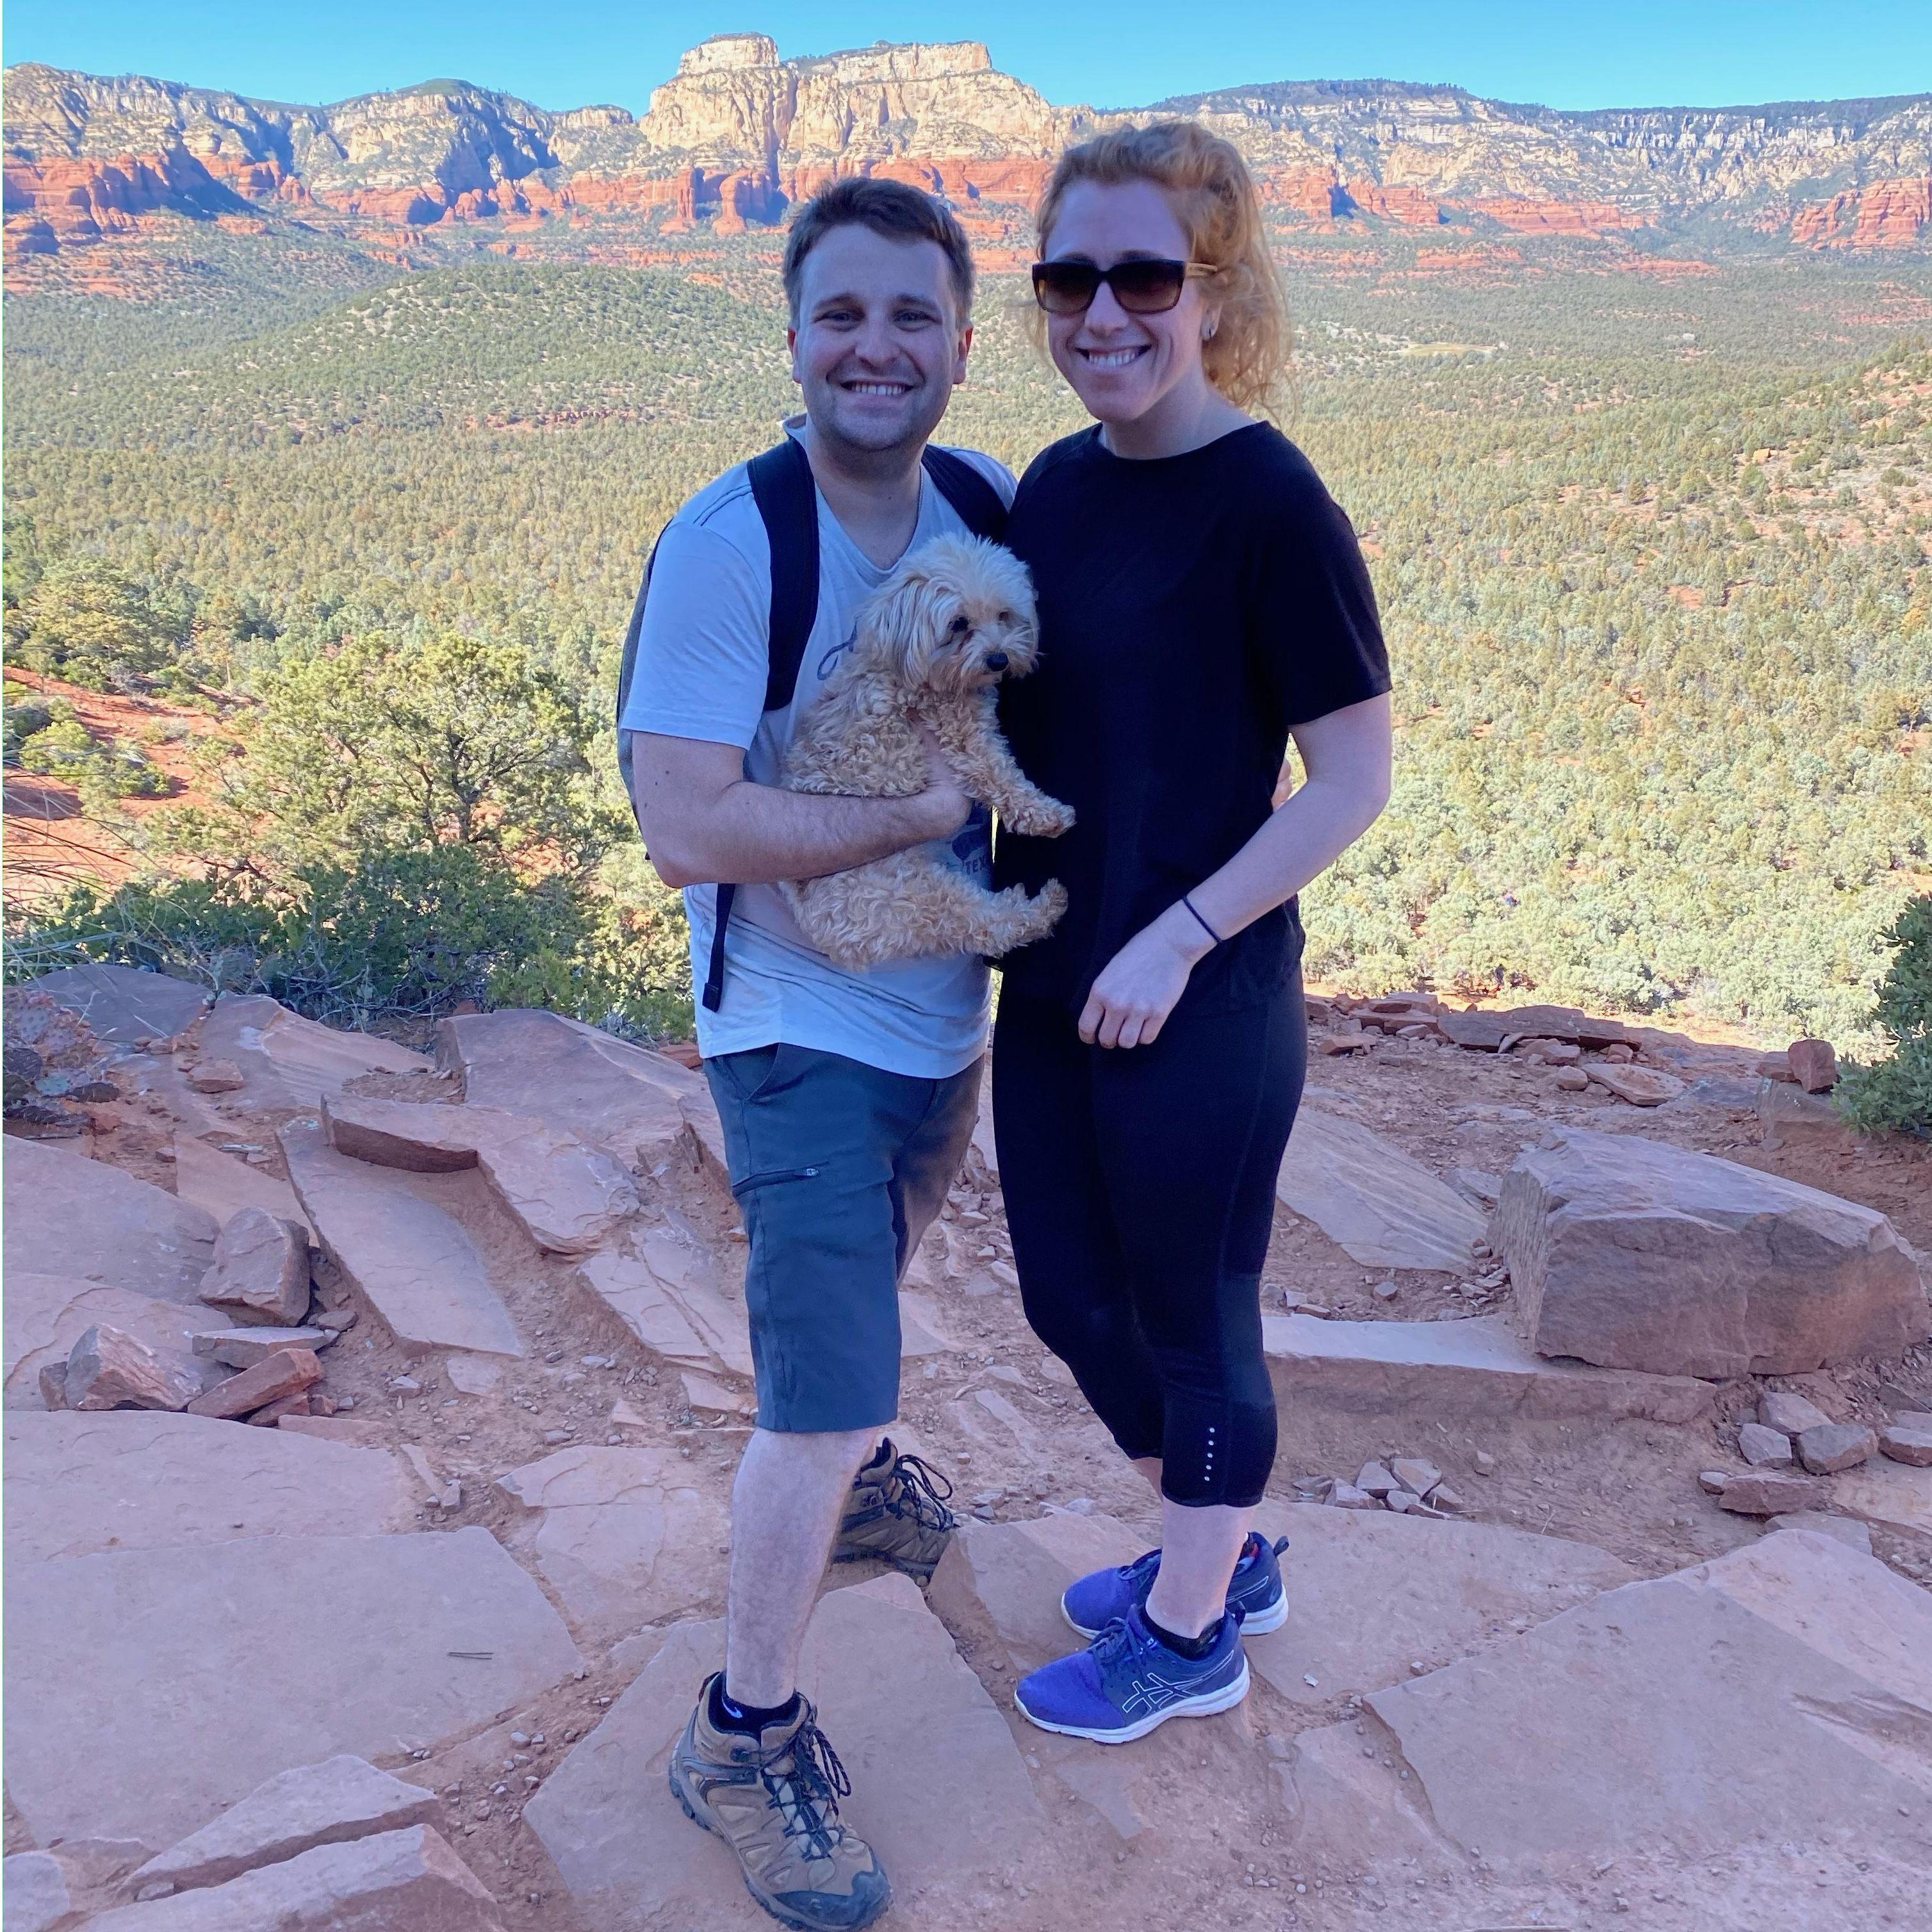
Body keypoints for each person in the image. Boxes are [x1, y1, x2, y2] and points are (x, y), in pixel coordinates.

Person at [625, 177, 1015, 1931]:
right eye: (841, 314)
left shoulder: (983, 506)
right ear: (791, 337)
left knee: (871, 1298)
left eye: (909, 315)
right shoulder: (732, 545)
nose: (875, 347)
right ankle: (742, 1730)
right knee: (830, 1383)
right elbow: (684, 823)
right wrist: (917, 820)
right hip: (792, 1026)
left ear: (958, 342)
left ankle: (849, 1491)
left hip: (941, 1015)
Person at [990, 122, 1395, 1744]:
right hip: (1048, 973)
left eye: (1143, 277)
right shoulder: (1052, 485)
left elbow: (1349, 779)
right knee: (1064, 1298)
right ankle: (1216, 1540)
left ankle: (1190, 1625)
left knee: (1189, 1306)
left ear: (1214, 293)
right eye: (1067, 278)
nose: (1102, 312)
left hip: (1197, 993)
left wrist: (1177, 934)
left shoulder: (1269, 503)